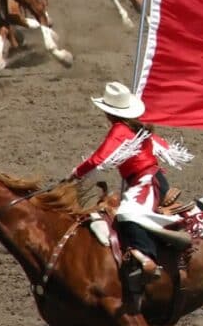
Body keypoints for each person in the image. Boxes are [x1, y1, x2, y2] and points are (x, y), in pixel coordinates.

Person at [65, 81, 192, 294]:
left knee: (127, 214)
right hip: (150, 179)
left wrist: (76, 173)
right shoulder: (137, 127)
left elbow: (100, 158)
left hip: (145, 182)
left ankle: (146, 259)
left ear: (108, 112)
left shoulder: (120, 129)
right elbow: (163, 148)